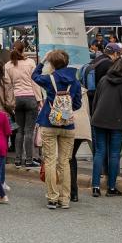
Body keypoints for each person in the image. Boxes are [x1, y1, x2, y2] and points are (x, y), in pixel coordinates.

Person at [33, 50, 82, 209]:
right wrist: (65, 109)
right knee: (65, 163)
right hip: (68, 124)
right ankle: (65, 198)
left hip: (49, 122)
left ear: (52, 64)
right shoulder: (75, 82)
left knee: (50, 161)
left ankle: (52, 197)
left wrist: (42, 61)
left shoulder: (49, 79)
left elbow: (34, 76)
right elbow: (77, 104)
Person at [90, 58, 122, 197]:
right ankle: (111, 188)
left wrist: (94, 116)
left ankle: (96, 186)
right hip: (117, 121)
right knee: (114, 154)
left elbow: (96, 100)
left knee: (99, 152)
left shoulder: (103, 79)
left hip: (98, 119)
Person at [5, 41, 41, 169]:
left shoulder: (8, 65)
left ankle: (18, 159)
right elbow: (35, 82)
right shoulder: (30, 63)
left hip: (17, 99)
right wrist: (39, 99)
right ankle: (29, 160)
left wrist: (10, 101)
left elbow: (8, 85)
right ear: (24, 49)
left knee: (19, 130)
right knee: (29, 131)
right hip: (31, 97)